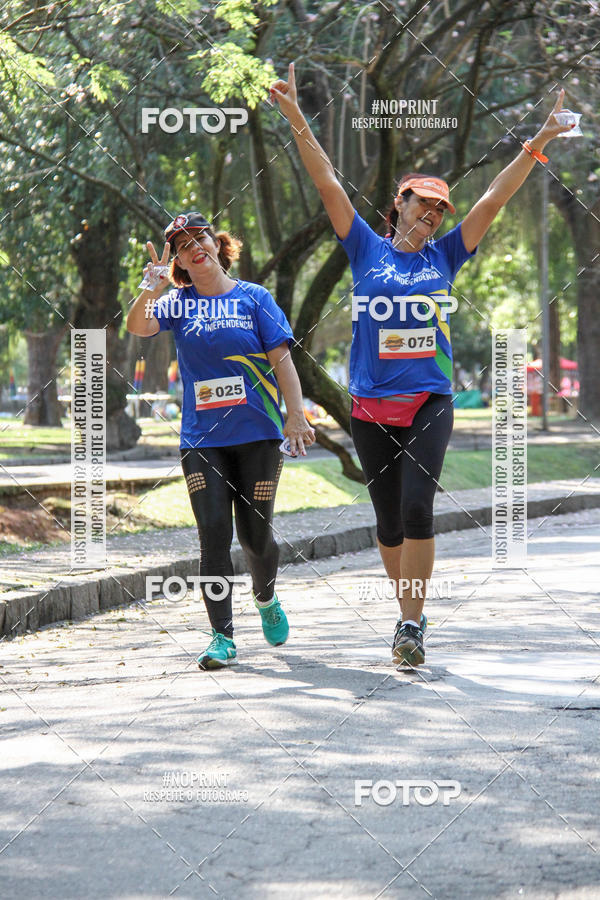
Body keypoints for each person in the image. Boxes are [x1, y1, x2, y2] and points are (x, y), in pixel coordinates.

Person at [270, 64, 573, 666]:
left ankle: (410, 625)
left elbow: (494, 196)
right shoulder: (364, 248)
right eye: (424, 203)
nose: (433, 213)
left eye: (440, 208)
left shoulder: (447, 254)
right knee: (387, 524)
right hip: (369, 406)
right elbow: (326, 180)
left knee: (416, 509)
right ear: (400, 204)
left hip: (430, 400)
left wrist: (537, 142)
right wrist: (297, 117)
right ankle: (408, 608)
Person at [127, 212, 315, 669]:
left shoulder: (255, 298)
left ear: (218, 243)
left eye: (200, 238)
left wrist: (296, 415)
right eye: (183, 245)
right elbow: (137, 326)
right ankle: (221, 636)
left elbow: (282, 360)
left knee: (255, 536)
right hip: (201, 441)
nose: (194, 247)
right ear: (178, 261)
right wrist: (150, 288)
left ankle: (266, 598)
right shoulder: (177, 303)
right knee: (213, 533)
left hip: (258, 435)